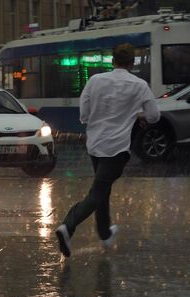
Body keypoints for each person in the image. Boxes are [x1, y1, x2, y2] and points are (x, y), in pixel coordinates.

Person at [55, 43, 160, 257]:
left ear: (113, 61)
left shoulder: (95, 80)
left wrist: (90, 120)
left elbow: (83, 111)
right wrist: (137, 115)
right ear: (132, 63)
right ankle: (68, 224)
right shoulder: (139, 85)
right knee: (99, 191)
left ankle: (104, 232)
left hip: (95, 144)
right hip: (117, 147)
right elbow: (154, 116)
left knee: (102, 186)